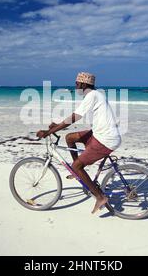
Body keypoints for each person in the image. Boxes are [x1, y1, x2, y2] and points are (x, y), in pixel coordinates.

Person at [36, 72, 121, 214]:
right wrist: (56, 126)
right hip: (99, 134)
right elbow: (74, 117)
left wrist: (48, 132)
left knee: (76, 166)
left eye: (76, 84)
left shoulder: (92, 95)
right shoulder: (95, 95)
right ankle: (77, 173)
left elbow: (74, 117)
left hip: (106, 139)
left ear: (82, 84)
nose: (75, 87)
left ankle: (100, 197)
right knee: (70, 138)